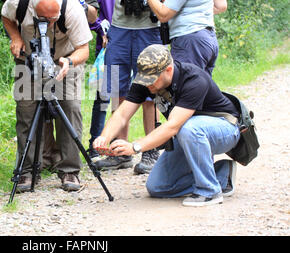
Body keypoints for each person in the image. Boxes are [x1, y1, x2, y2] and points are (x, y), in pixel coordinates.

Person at [93, 45, 240, 207]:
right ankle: (222, 173)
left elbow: (172, 127)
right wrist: (104, 137)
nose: (147, 85)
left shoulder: (193, 79)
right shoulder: (146, 80)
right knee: (158, 187)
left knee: (190, 128)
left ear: (168, 70)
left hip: (225, 128)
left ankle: (209, 191)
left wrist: (135, 147)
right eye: (144, 80)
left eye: (151, 80)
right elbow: (122, 114)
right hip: (188, 134)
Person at [96, 0, 178, 173]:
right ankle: (118, 152)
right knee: (116, 89)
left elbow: (173, 3)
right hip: (120, 29)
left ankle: (150, 151)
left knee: (150, 92)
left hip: (151, 31)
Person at [20, 0, 99, 171]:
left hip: (69, 48)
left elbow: (94, 15)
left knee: (69, 107)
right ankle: (44, 158)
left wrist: (79, 3)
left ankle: (69, 166)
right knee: (38, 107)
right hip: (38, 50)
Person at [2, 0, 92, 192]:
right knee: (26, 112)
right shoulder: (19, 1)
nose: (50, 24)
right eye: (44, 19)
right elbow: (6, 17)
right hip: (28, 61)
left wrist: (68, 62)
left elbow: (84, 49)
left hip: (65, 61)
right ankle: (27, 171)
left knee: (69, 108)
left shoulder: (72, 10)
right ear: (33, 8)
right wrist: (15, 37)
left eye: (54, 19)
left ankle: (70, 170)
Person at [86, 0, 135, 159]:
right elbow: (92, 8)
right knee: (106, 94)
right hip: (107, 44)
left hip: (134, 40)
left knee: (136, 94)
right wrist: (100, 29)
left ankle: (123, 145)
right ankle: (95, 143)